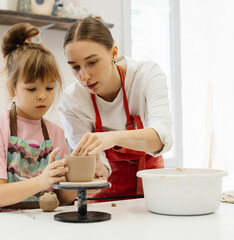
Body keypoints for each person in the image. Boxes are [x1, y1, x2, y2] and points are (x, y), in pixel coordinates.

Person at [58, 17, 173, 200]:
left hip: (153, 189)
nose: (85, 76)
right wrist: (97, 169)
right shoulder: (71, 101)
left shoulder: (146, 76)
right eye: (75, 67)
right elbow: (98, 163)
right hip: (105, 195)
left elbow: (162, 138)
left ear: (113, 53)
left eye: (92, 62)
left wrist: (113, 137)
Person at [0, 23, 76, 214]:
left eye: (49, 88)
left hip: (40, 223)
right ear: (12, 89)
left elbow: (63, 198)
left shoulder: (56, 134)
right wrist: (41, 181)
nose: (42, 96)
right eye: (32, 89)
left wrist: (78, 179)